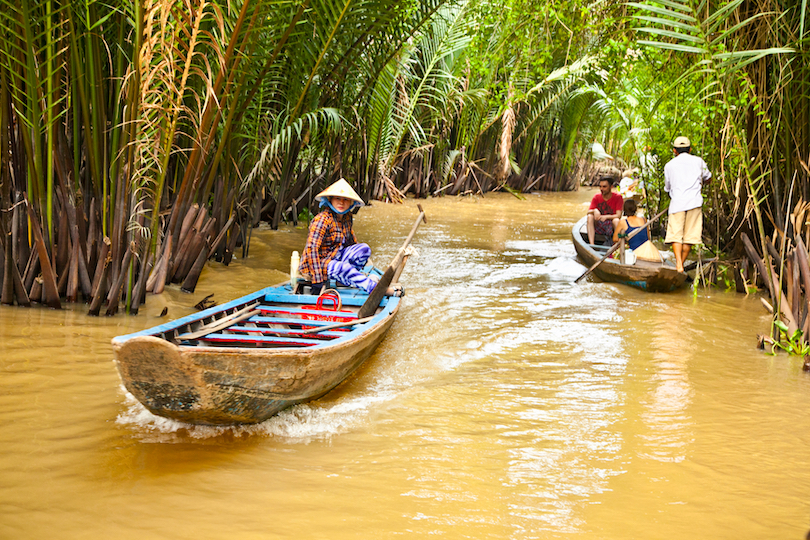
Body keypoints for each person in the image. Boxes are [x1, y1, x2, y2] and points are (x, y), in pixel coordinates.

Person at [298, 178, 401, 296]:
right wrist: (317, 280)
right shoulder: (322, 220)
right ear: (330, 199)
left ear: (351, 202)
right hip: (317, 264)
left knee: (364, 249)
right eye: (337, 198)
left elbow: (352, 243)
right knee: (343, 268)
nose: (341, 203)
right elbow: (312, 250)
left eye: (345, 199)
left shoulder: (347, 217)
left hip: (335, 258)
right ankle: (376, 289)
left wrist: (359, 263)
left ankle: (343, 280)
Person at [664, 136, 711, 272]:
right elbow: (708, 177)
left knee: (676, 235)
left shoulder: (669, 165)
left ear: (674, 151)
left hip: (677, 203)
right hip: (694, 203)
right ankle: (681, 265)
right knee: (690, 237)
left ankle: (678, 264)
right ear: (690, 149)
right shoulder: (698, 161)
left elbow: (667, 187)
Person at [587, 176, 623, 245]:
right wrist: (594, 210)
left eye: (604, 187)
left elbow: (618, 215)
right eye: (600, 186)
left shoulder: (618, 197)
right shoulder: (596, 197)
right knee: (590, 216)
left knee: (616, 221)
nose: (601, 189)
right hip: (599, 224)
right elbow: (588, 212)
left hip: (610, 225)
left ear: (611, 187)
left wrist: (606, 217)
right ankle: (592, 244)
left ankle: (617, 246)